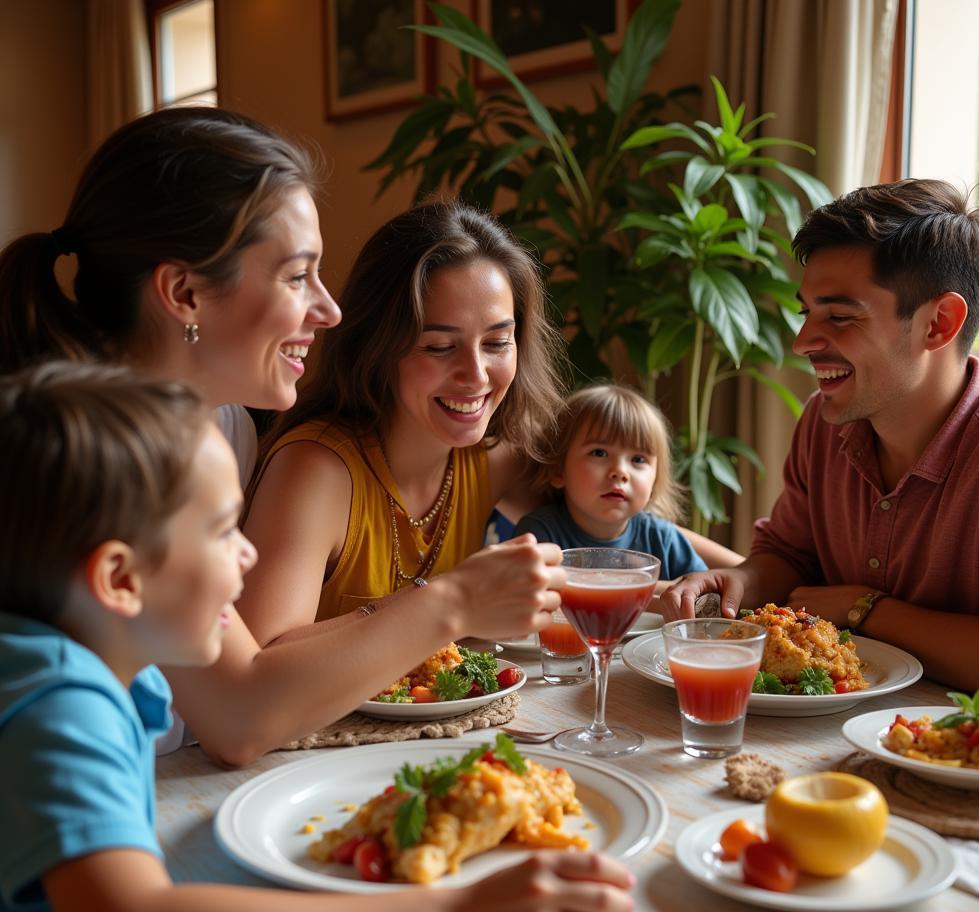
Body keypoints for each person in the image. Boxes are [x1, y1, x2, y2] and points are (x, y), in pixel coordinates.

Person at [0, 361, 635, 912]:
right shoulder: (61, 707)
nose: (247, 556)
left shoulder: (81, 669)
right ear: (120, 579)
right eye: (223, 532)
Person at [0, 107, 567, 765]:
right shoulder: (90, 458)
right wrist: (455, 601)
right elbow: (239, 717)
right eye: (298, 276)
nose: (328, 311)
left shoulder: (222, 425)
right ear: (184, 293)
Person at [662, 178, 979, 701]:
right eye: (807, 312)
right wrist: (740, 580)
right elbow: (789, 554)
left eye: (840, 316)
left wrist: (865, 608)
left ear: (939, 323)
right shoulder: (823, 423)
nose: (803, 341)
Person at [238, 201, 565, 638]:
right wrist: (445, 603)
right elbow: (261, 661)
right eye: (438, 346)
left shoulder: (491, 457)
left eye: (497, 342)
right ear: (376, 348)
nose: (477, 375)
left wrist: (687, 572)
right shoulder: (315, 470)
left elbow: (612, 513)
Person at [511, 382, 714, 579]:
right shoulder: (539, 533)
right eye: (599, 453)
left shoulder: (664, 539)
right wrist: (666, 590)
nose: (620, 472)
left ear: (654, 481)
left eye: (638, 459)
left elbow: (703, 593)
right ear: (558, 470)